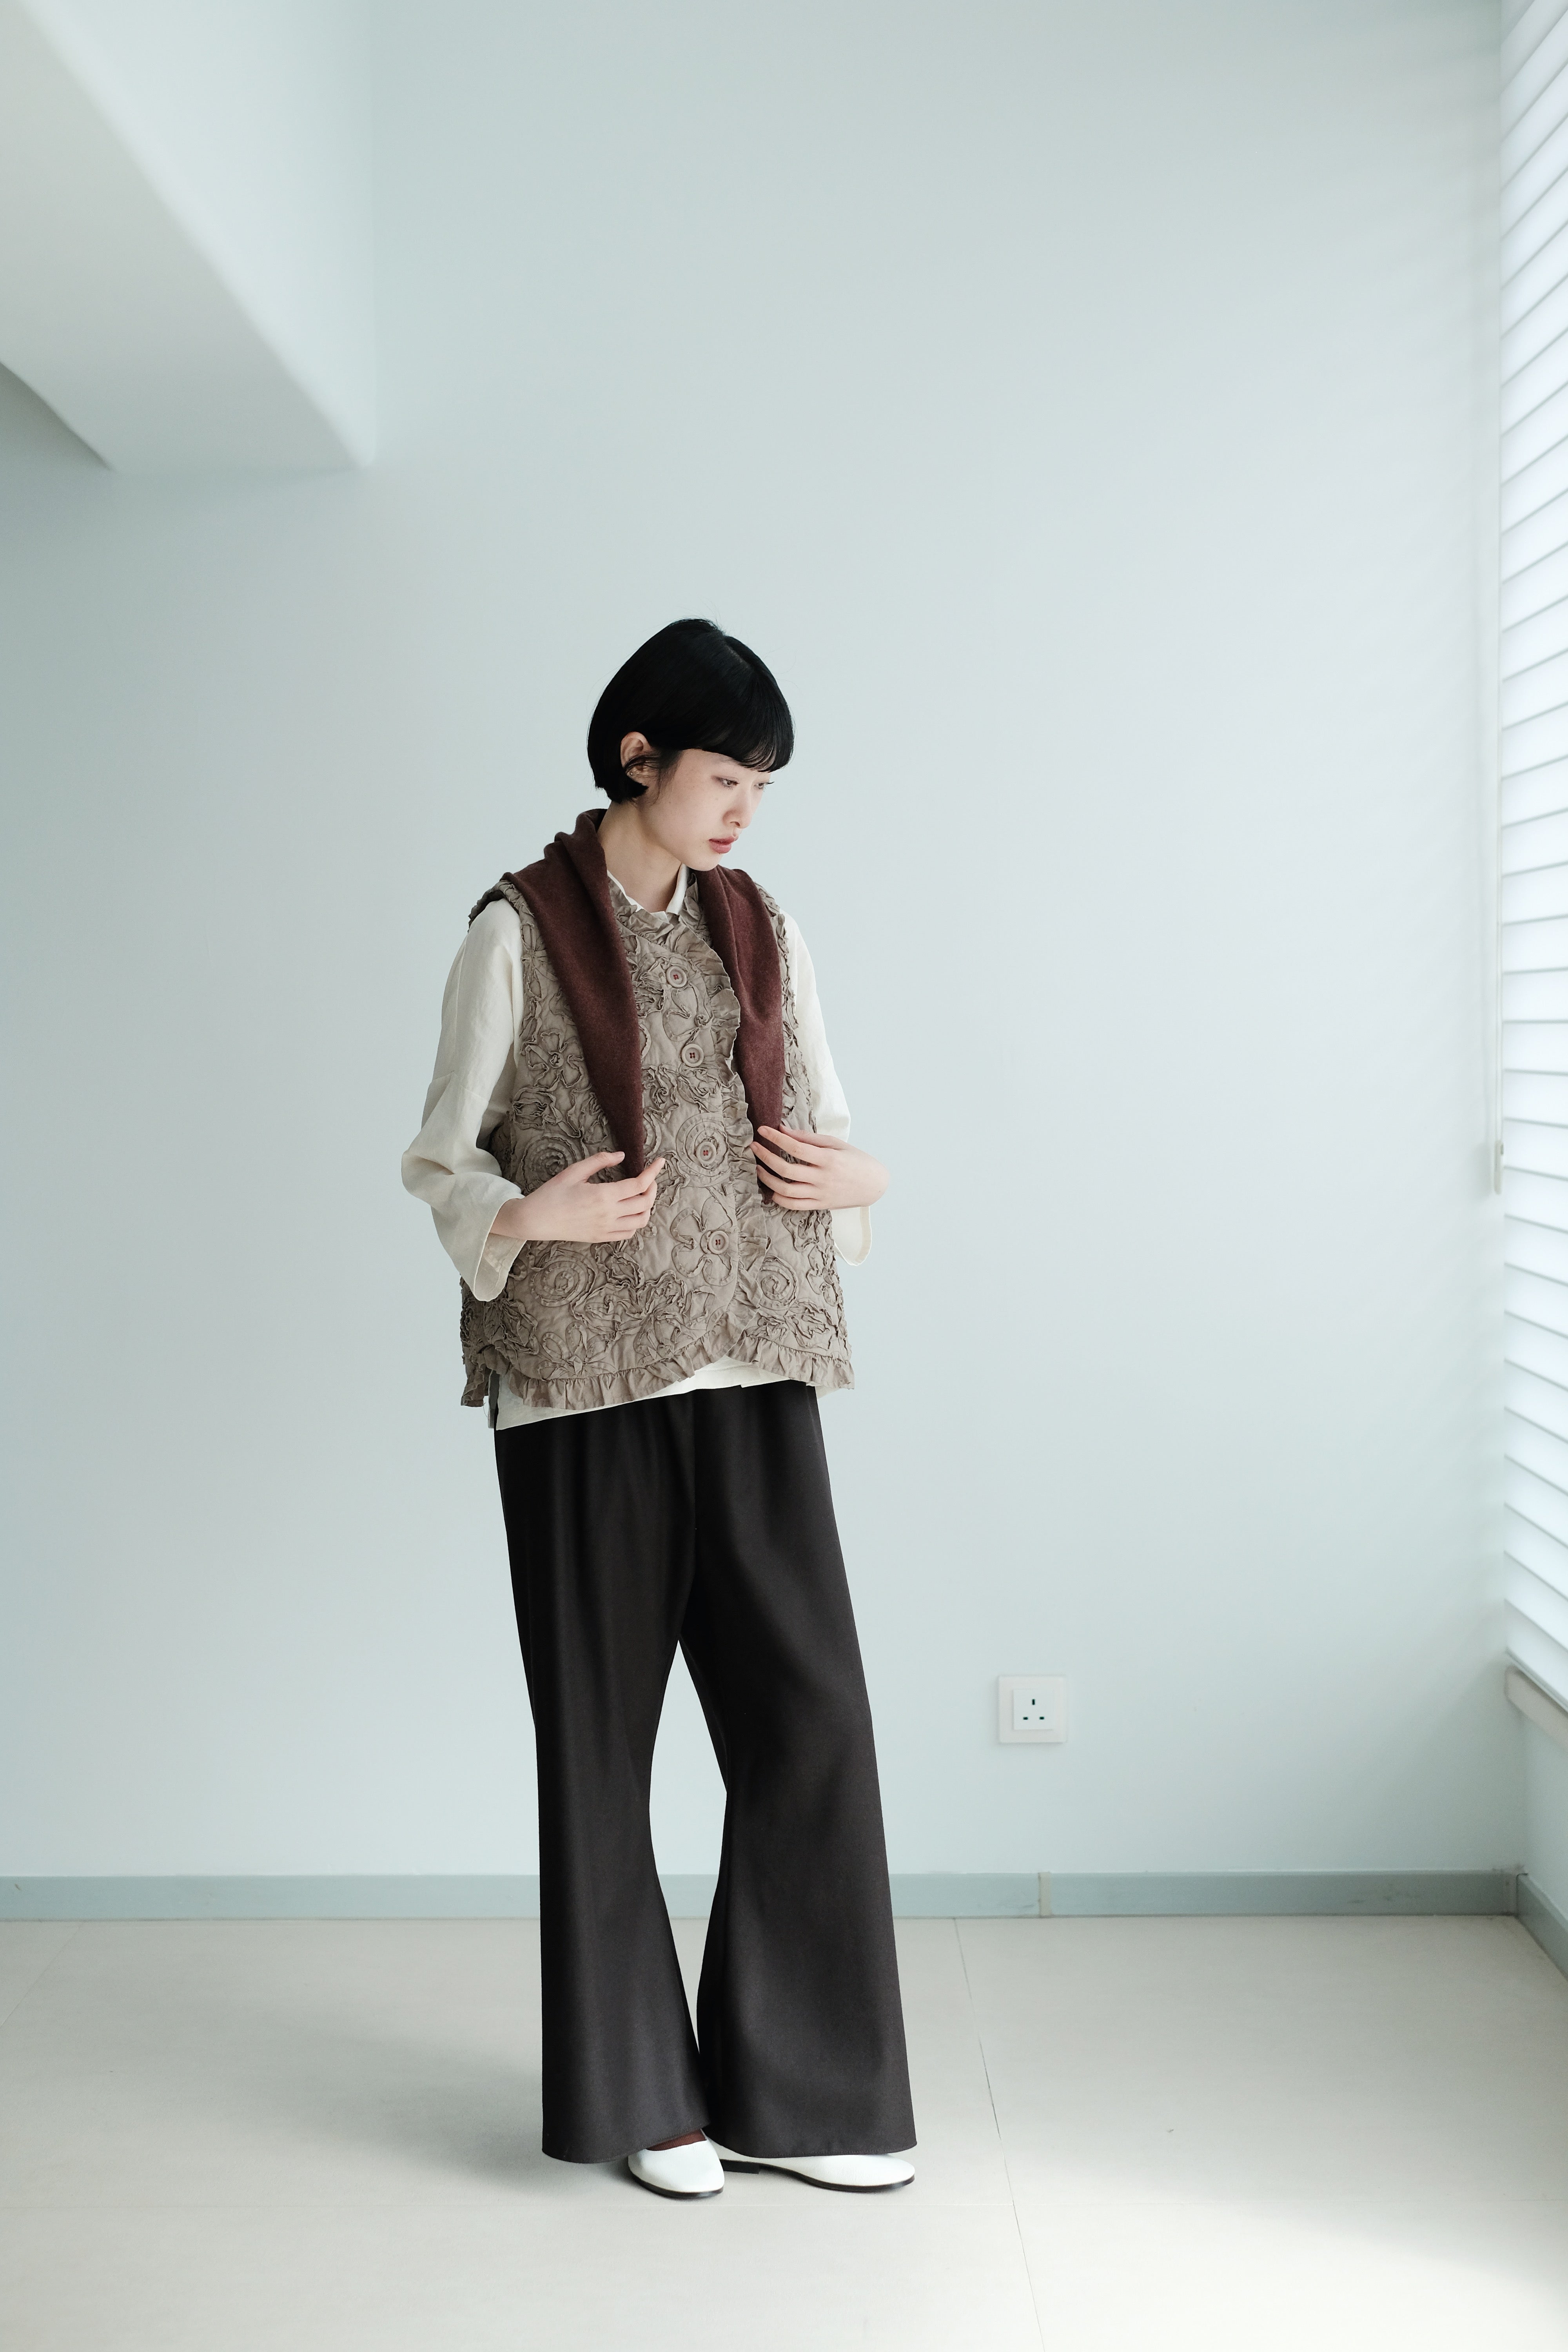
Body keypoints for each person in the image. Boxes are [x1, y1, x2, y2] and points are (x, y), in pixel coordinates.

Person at [402, 618, 916, 2199]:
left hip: (753, 1357)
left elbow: (825, 1119)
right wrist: (524, 1216)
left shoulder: (763, 926)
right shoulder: (515, 930)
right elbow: (439, 1155)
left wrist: (866, 1180)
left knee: (810, 1721)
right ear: (638, 758)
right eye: (723, 777)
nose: (744, 810)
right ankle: (646, 2103)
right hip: (577, 1381)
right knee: (601, 1743)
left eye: (763, 785)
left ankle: (796, 2096)